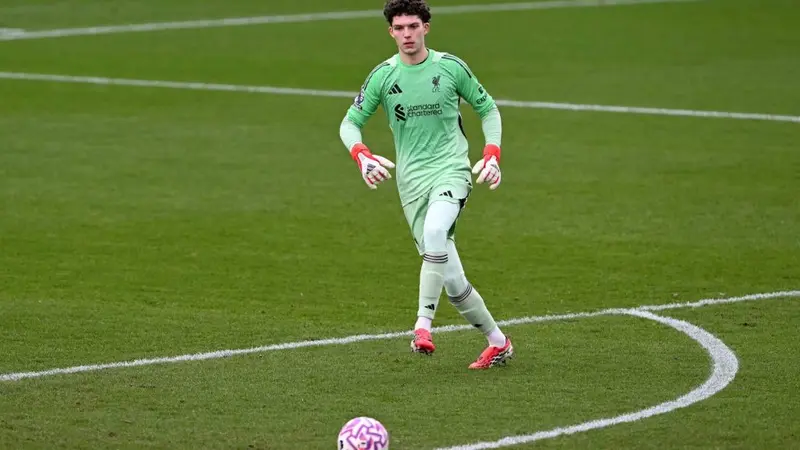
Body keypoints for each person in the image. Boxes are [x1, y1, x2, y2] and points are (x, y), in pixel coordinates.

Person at [338, 0, 513, 370]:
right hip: (411, 183)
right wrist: (361, 154)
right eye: (400, 28)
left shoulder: (450, 67)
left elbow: (488, 109)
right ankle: (498, 342)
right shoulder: (383, 76)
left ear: (426, 28)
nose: (407, 34)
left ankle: (422, 325)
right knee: (452, 281)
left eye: (413, 26)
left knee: (435, 231)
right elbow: (349, 123)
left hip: (451, 171)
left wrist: (492, 152)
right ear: (391, 32)